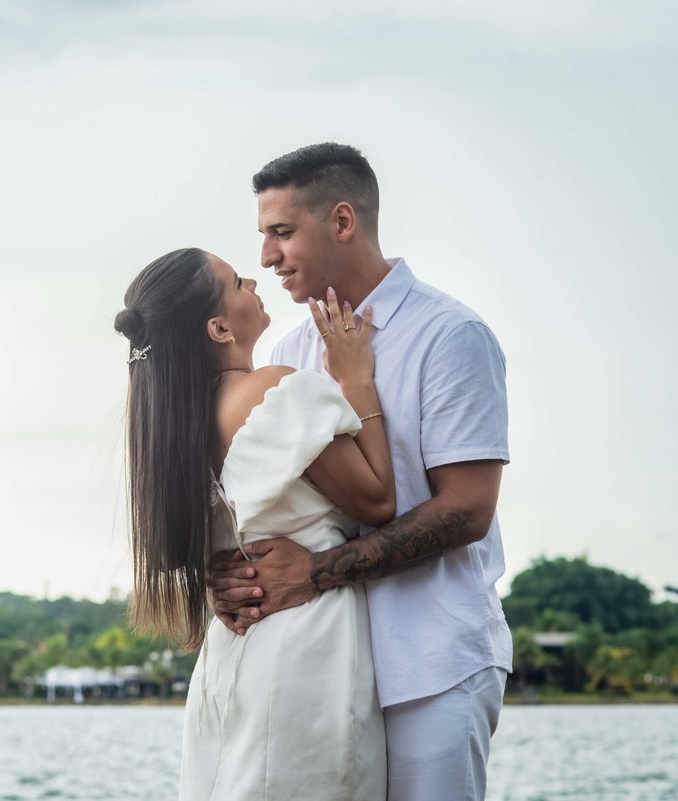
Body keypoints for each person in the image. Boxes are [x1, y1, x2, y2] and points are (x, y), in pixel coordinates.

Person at [208, 142, 512, 801]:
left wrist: (314, 573)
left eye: (281, 232)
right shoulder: (288, 352)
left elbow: (467, 509)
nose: (266, 257)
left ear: (342, 221)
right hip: (322, 671)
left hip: (431, 664)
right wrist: (233, 580)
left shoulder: (450, 336)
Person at [114, 247, 395, 799]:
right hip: (305, 642)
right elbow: (379, 498)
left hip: (230, 650)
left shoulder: (171, 429)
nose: (254, 280)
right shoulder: (272, 393)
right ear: (219, 328)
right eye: (236, 282)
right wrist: (355, 378)